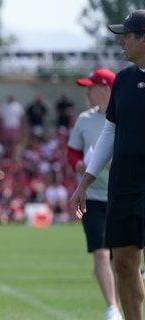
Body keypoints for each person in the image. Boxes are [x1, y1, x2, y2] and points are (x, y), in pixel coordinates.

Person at [70, 9, 145, 320]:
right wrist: (85, 181)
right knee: (124, 263)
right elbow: (109, 131)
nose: (121, 43)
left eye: (126, 36)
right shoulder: (124, 80)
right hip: (125, 186)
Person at [66, 68, 122, 320]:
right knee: (100, 251)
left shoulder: (127, 116)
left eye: (91, 87)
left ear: (105, 89)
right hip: (94, 196)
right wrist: (79, 165)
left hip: (123, 195)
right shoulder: (84, 119)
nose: (86, 92)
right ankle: (112, 307)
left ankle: (121, 304)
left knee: (121, 256)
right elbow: (73, 153)